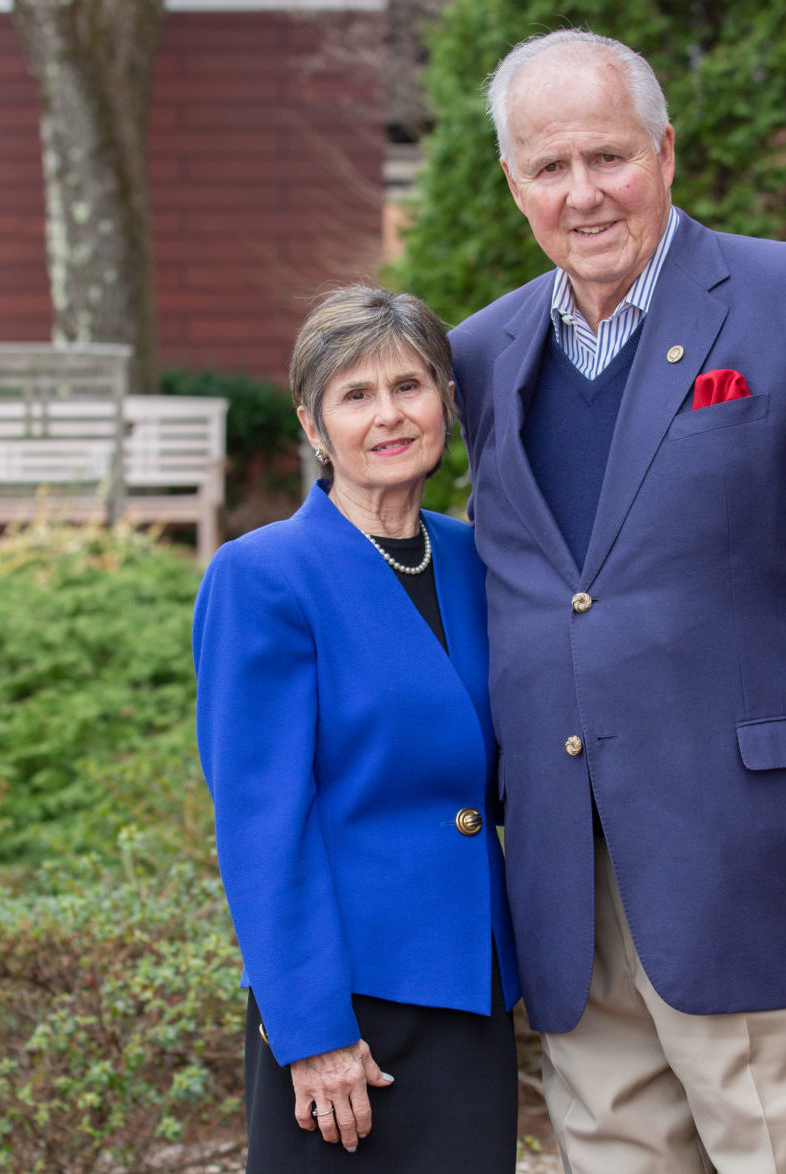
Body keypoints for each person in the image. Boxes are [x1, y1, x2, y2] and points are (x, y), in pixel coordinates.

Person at [449, 29, 786, 1174]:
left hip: (778, 892)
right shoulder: (482, 354)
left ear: (666, 151)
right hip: (575, 914)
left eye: (608, 157)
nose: (582, 194)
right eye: (549, 167)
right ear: (513, 183)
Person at [193, 285, 521, 1173]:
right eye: (356, 395)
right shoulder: (263, 577)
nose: (389, 415)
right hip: (346, 1005)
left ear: (445, 402)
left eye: (409, 386)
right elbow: (261, 825)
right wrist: (310, 1030)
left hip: (468, 985)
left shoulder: (474, 557)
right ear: (312, 422)